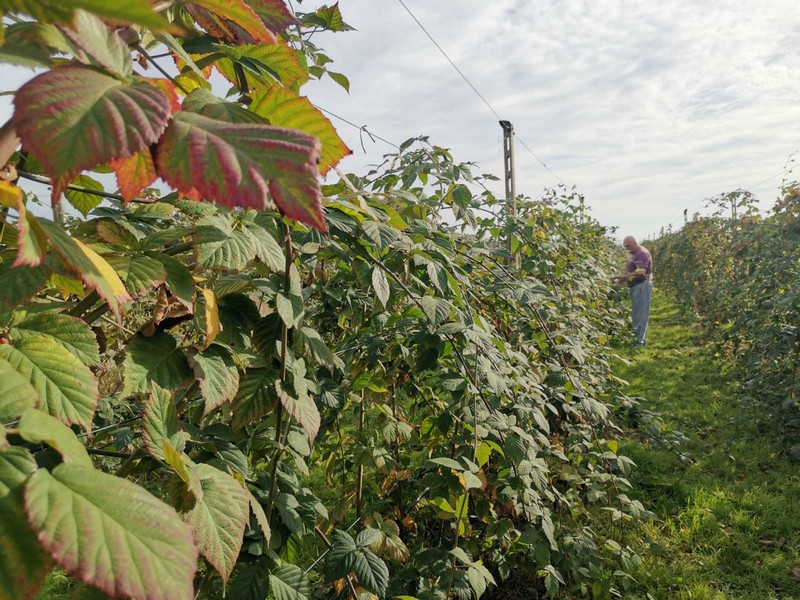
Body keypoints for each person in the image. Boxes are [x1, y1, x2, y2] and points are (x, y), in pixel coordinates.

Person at [615, 236, 653, 346]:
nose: (627, 249)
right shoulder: (635, 254)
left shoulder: (641, 253)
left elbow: (641, 271)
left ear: (635, 243)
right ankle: (637, 338)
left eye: (628, 246)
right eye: (625, 247)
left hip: (642, 286)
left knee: (641, 313)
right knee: (637, 313)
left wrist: (623, 277)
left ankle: (640, 341)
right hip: (636, 286)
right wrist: (621, 280)